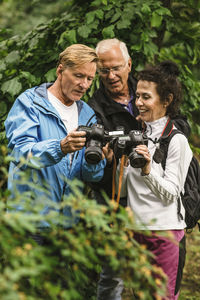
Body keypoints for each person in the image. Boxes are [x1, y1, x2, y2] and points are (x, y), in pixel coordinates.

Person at [4, 44, 107, 227]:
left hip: (67, 223)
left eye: (90, 78)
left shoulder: (87, 114)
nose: (84, 84)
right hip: (29, 220)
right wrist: (60, 147)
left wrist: (96, 160)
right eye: (78, 75)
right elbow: (20, 153)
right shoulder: (30, 103)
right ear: (60, 70)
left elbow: (92, 176)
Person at [116, 60, 193, 299]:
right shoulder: (135, 135)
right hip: (136, 229)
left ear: (166, 100)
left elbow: (171, 192)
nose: (138, 103)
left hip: (165, 233)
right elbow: (127, 190)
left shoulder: (176, 140)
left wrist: (148, 169)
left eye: (146, 97)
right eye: (137, 96)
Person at [87, 38, 142, 300]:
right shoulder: (93, 107)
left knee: (157, 263)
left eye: (116, 68)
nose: (111, 76)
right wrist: (106, 158)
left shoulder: (149, 88)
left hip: (153, 192)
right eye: (104, 70)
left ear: (129, 65)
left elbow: (179, 123)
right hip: (114, 194)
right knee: (113, 271)